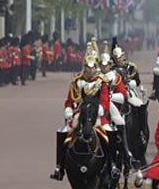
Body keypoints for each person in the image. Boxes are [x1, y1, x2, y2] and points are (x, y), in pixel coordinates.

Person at [49, 43, 119, 181]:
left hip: (96, 116)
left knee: (109, 133)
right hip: (78, 114)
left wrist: (100, 109)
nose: (90, 70)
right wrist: (68, 109)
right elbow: (69, 99)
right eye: (88, 67)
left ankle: (112, 165)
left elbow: (104, 101)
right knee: (63, 132)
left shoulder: (101, 82)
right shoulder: (77, 81)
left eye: (92, 67)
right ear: (84, 66)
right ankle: (60, 167)